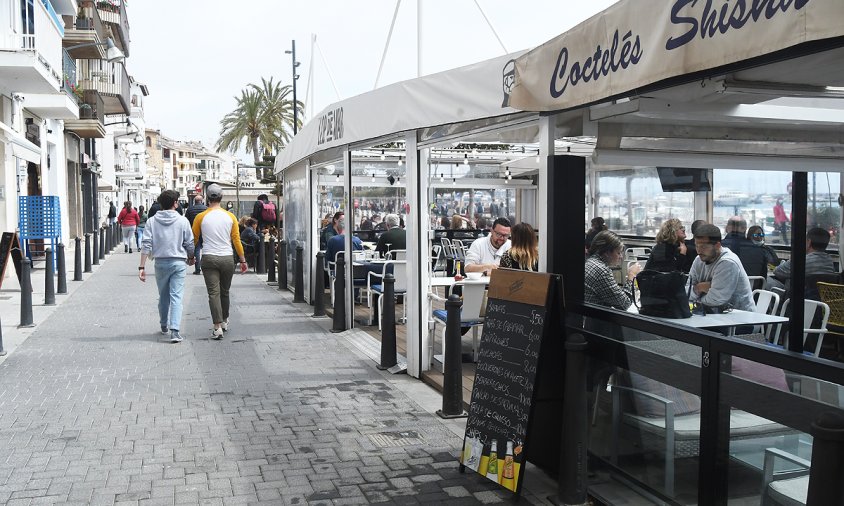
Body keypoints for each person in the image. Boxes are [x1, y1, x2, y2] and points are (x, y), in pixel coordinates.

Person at [138, 190, 195, 343]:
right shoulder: (183, 221)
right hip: (178, 262)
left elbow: (146, 244)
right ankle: (175, 331)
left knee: (163, 295)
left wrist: (141, 267)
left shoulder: (151, 221)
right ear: (175, 203)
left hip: (161, 262)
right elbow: (189, 242)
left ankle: (164, 325)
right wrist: (191, 257)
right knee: (176, 296)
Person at [192, 184, 248, 339]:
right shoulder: (230, 217)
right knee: (225, 291)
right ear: (221, 198)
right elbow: (236, 240)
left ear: (207, 198)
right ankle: (224, 320)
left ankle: (217, 327)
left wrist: (191, 256)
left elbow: (194, 238)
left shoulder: (200, 217)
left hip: (209, 257)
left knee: (213, 293)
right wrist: (242, 260)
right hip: (227, 258)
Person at [687, 223, 755, 312]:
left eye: (703, 246)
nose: (699, 250)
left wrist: (697, 295)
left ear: (717, 245)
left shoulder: (728, 262)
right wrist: (699, 288)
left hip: (740, 319)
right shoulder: (699, 259)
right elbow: (686, 291)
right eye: (696, 246)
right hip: (712, 315)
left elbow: (715, 301)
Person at [770, 227, 834, 297]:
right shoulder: (829, 260)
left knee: (767, 281)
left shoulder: (802, 260)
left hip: (795, 300)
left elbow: (777, 272)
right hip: (819, 302)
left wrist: (788, 261)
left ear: (809, 242)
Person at [584, 230, 640, 309]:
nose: (620, 257)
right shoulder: (602, 271)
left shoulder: (590, 262)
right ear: (607, 252)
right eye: (618, 253)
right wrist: (632, 276)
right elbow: (625, 303)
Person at [185, 195, 208, 275]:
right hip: (205, 232)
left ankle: (197, 269)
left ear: (194, 201)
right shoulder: (206, 209)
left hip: (194, 232)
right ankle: (206, 267)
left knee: (197, 250)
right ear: (202, 201)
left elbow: (186, 221)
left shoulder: (190, 209)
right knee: (206, 249)